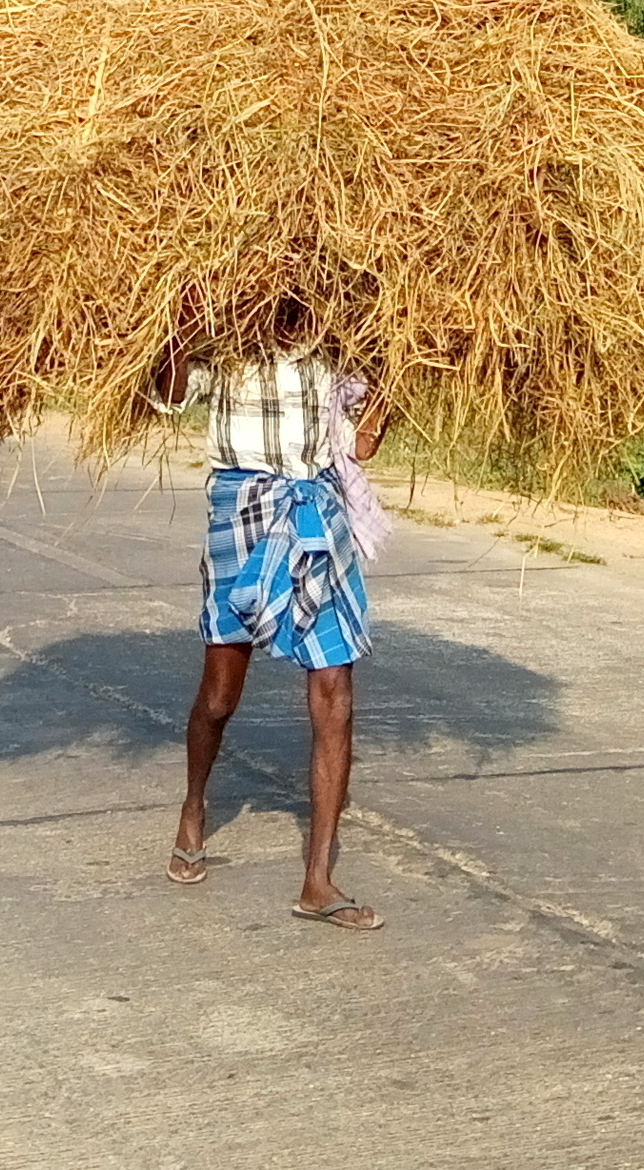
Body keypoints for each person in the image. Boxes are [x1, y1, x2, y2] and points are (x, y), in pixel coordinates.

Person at [155, 319, 391, 932]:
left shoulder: (334, 352)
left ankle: (318, 880)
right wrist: (176, 325)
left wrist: (399, 366)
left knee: (335, 694)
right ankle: (193, 806)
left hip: (316, 514)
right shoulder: (225, 347)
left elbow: (362, 445)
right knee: (219, 695)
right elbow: (173, 390)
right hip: (241, 512)